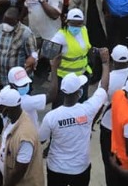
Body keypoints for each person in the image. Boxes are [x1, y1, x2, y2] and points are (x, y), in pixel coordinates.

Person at [39, 48, 110, 185]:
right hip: (80, 169)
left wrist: (54, 68)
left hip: (55, 169)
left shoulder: (51, 117)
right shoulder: (88, 110)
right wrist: (105, 63)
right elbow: (104, 88)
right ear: (79, 92)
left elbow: (41, 139)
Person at [0, 86, 45, 185]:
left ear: (6, 109)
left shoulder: (25, 136)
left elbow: (19, 171)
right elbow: (7, 143)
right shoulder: (11, 120)